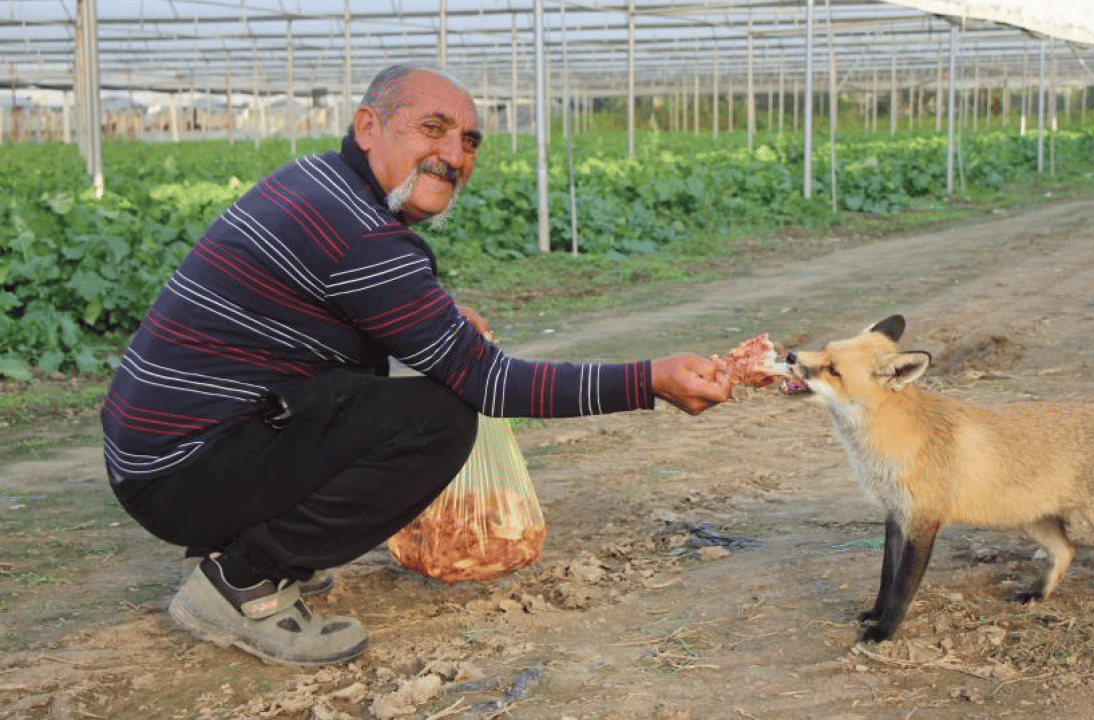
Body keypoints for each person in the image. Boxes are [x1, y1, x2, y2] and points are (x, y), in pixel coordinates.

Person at [100, 64, 734, 666]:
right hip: (179, 471)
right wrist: (648, 379)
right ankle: (241, 581)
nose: (455, 156)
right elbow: (492, 381)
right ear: (368, 126)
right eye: (433, 129)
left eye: (470, 141)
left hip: (158, 453)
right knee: (440, 419)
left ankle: (225, 543)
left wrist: (436, 326)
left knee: (386, 384)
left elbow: (328, 315)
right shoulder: (361, 233)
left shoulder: (318, 182)